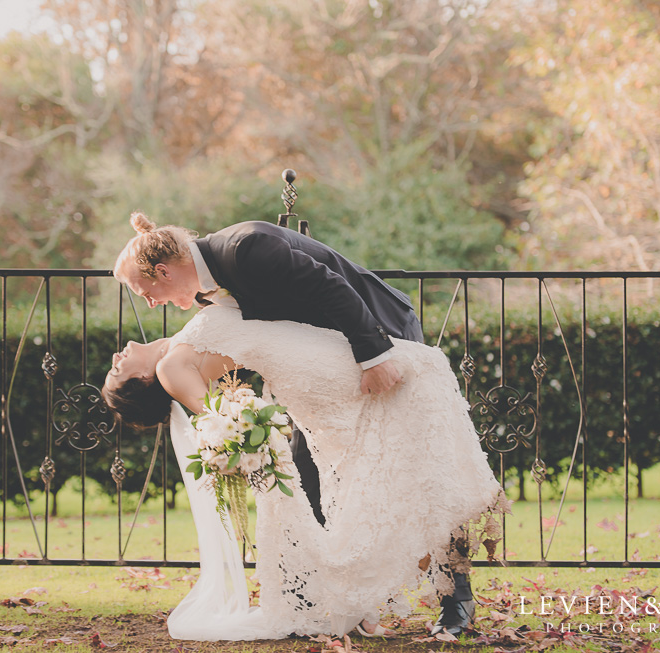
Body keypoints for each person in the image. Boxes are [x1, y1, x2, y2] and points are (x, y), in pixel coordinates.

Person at [106, 214, 507, 639]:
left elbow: (332, 288)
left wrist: (374, 357)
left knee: (420, 479)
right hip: (320, 393)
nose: (149, 302)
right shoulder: (206, 294)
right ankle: (330, 602)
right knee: (327, 492)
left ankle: (452, 597)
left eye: (143, 290)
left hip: (377, 342)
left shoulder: (245, 250)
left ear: (164, 270)